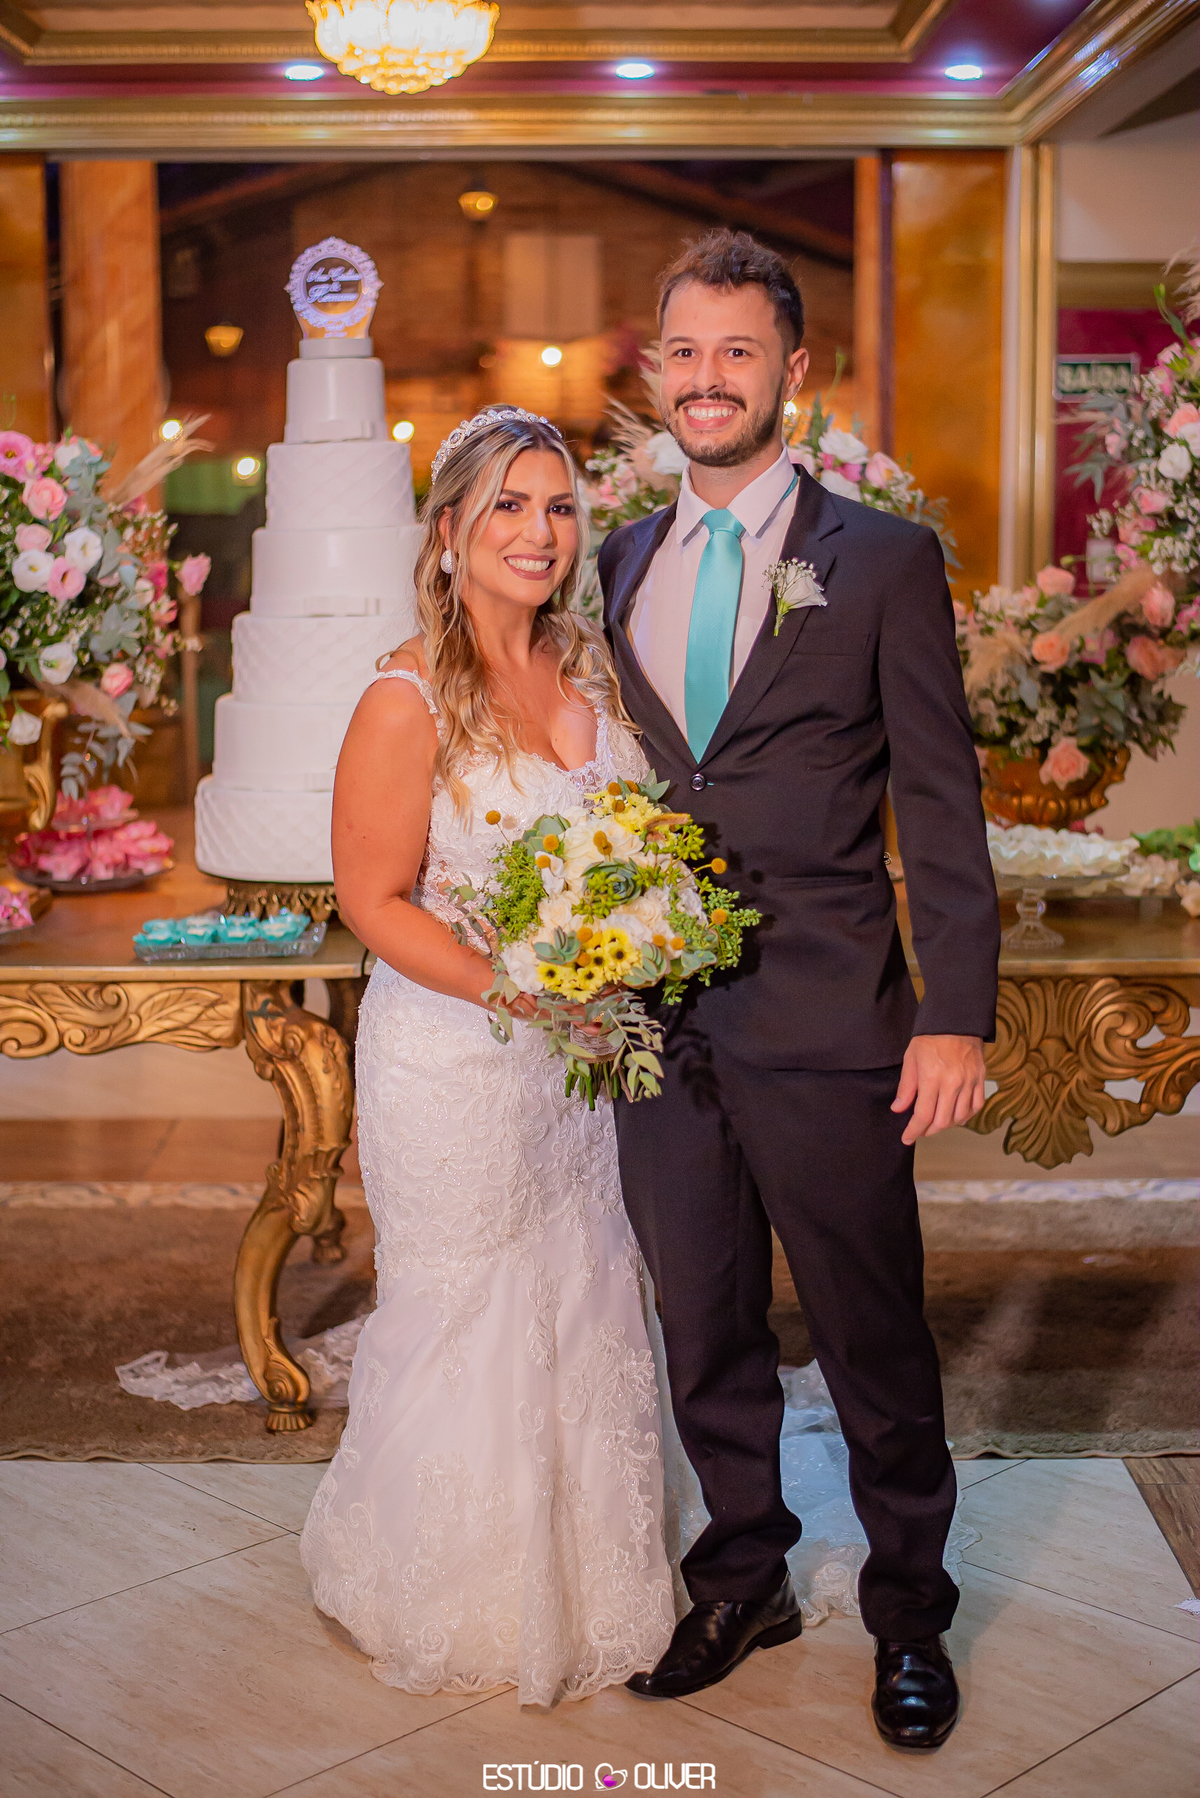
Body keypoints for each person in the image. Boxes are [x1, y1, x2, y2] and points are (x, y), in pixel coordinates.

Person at [598, 230, 999, 1749]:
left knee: (870, 1335)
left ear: (794, 372)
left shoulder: (883, 560)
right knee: (702, 1325)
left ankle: (911, 1612)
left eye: (738, 352)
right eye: (685, 351)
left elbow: (941, 806)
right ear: (658, 370)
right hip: (655, 1026)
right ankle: (743, 1574)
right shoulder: (615, 561)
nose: (707, 378)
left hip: (834, 1019)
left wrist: (953, 1011)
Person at [299, 407, 675, 1707]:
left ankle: (602, 1576)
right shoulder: (404, 696)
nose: (540, 531)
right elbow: (372, 898)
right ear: (450, 530)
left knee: (586, 1288)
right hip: (456, 1058)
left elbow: (631, 856)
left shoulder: (595, 676)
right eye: (509, 505)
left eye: (559, 505)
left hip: (579, 1069)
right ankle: (448, 1588)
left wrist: (631, 949)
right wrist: (518, 989)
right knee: (468, 1307)